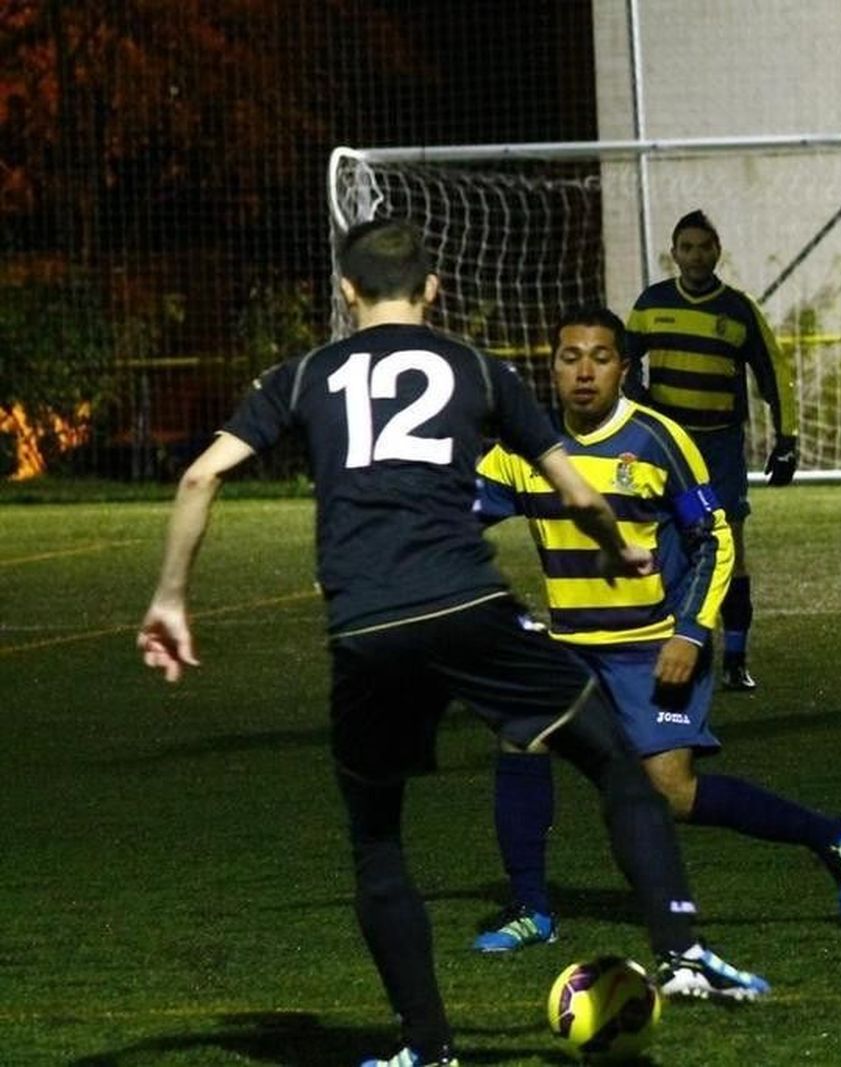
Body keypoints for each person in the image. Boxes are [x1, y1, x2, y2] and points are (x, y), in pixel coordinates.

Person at [135, 221, 769, 1067]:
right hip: (469, 607)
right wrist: (619, 546)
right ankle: (682, 950)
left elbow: (199, 475)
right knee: (618, 763)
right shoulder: (478, 368)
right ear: (432, 289)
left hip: (366, 627)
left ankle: (428, 1048)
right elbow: (574, 488)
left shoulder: (304, 374)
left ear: (347, 292)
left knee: (378, 839)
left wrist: (171, 598)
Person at [470, 306, 841, 953]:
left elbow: (714, 537)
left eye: (601, 358)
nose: (584, 372)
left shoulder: (658, 440)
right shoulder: (526, 448)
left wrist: (689, 632)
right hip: (572, 648)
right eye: (570, 358)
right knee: (521, 734)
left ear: (625, 369)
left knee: (671, 795)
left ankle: (832, 835)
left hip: (653, 648)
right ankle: (531, 909)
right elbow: (456, 512)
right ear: (552, 368)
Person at [625, 209, 797, 691]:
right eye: (688, 247)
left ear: (717, 251)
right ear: (674, 254)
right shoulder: (651, 303)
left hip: (719, 448)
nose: (696, 256)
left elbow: (774, 372)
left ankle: (735, 659)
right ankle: (670, 652)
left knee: (728, 549)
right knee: (667, 549)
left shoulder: (738, 310)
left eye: (704, 247)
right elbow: (623, 359)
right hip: (667, 449)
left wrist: (787, 439)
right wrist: (636, 400)